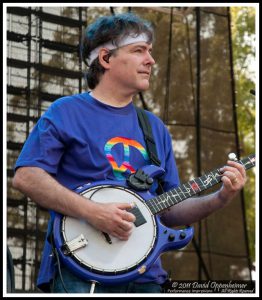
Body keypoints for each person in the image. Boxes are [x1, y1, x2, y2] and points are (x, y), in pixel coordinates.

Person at [12, 12, 247, 294]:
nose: (151, 60)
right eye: (139, 51)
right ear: (106, 58)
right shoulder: (66, 111)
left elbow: (170, 210)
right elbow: (27, 176)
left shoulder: (154, 127)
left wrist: (222, 196)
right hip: (80, 272)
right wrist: (94, 212)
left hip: (147, 279)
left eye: (150, 51)